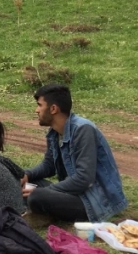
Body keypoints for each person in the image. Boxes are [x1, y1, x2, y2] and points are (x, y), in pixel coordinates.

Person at [22, 83, 127, 223]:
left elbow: (84, 179)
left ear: (53, 109)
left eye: (39, 105)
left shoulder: (83, 130)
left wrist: (49, 191)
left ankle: (43, 213)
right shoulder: (54, 132)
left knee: (37, 196)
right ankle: (43, 211)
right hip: (74, 192)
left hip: (93, 200)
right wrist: (26, 175)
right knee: (28, 184)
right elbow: (49, 166)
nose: (36, 110)